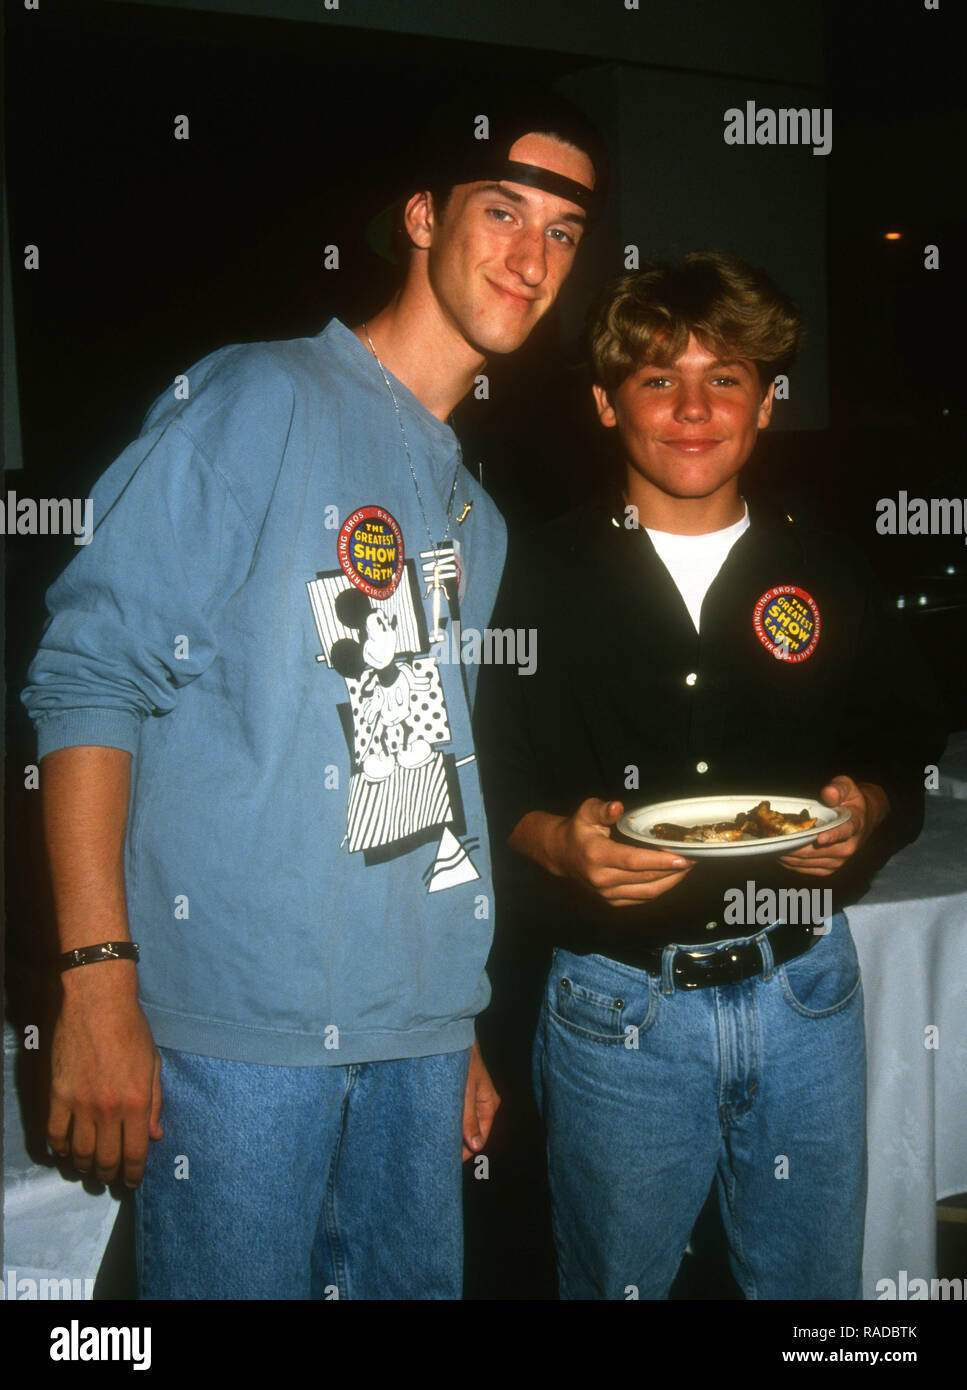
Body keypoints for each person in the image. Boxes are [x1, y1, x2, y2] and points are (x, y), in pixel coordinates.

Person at [21, 88, 604, 1300]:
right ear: (421, 217)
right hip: (237, 1043)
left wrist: (451, 1018)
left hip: (411, 1040)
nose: (531, 255)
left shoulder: (472, 516)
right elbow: (88, 677)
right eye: (503, 210)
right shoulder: (257, 402)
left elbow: (414, 773)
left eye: (561, 232)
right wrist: (93, 980)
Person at [474, 252, 942, 1300]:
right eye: (655, 378)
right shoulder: (529, 575)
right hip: (615, 1010)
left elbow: (902, 736)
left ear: (765, 404)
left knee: (815, 1298)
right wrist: (554, 842)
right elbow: (481, 769)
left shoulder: (823, 567)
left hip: (807, 993)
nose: (692, 408)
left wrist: (869, 807)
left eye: (724, 377)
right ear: (604, 402)